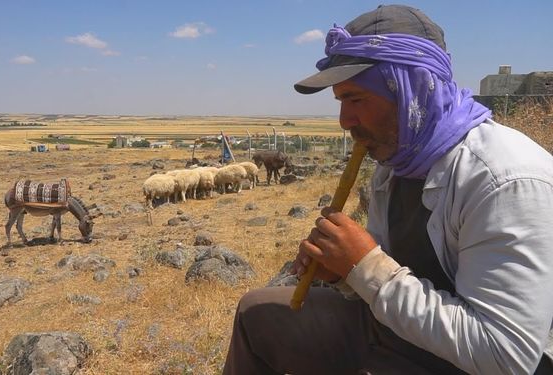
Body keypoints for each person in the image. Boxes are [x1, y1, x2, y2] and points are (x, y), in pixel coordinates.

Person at [223, 4, 553, 375]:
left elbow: (505, 356)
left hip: (469, 363)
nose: (345, 120)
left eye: (356, 99)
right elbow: (390, 282)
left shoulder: (505, 180)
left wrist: (365, 264)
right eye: (341, 101)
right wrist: (343, 273)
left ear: (411, 88)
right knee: (257, 314)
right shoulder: (395, 163)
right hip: (401, 334)